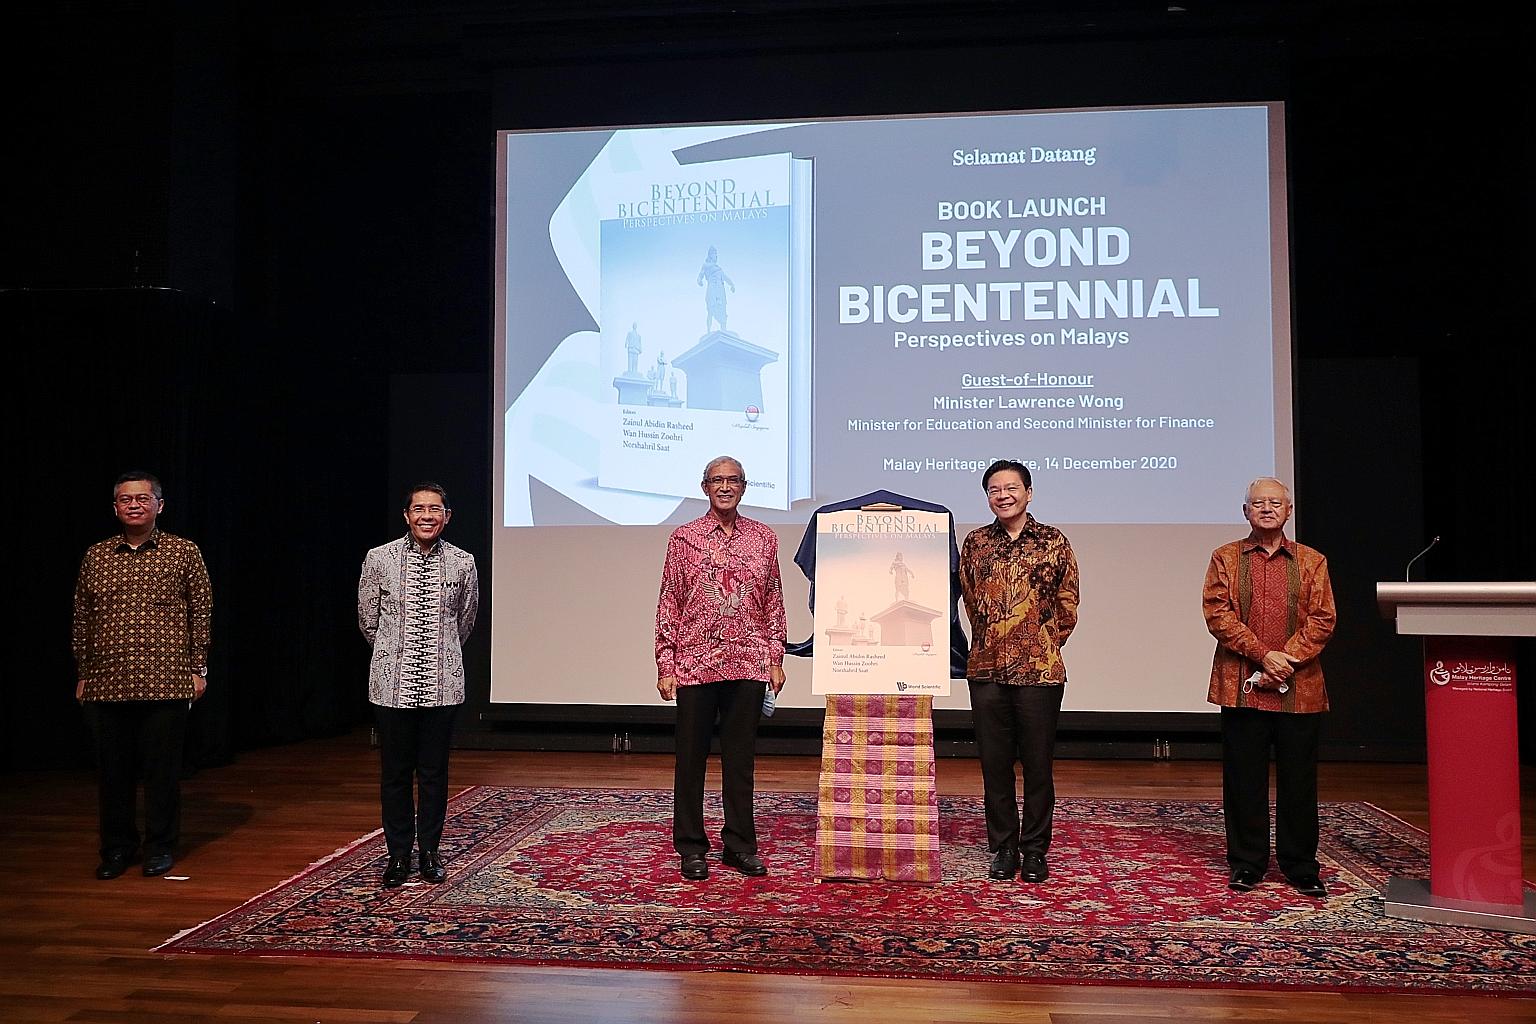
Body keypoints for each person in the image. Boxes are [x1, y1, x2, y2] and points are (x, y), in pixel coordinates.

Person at [73, 471, 212, 879]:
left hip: (166, 680)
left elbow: (201, 612)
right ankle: (117, 849)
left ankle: (159, 848)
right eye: (126, 499)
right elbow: (82, 617)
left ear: (159, 505)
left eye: (143, 498)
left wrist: (198, 668)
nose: (134, 505)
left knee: (162, 773)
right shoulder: (97, 555)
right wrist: (84, 671)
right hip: (107, 680)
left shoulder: (183, 551)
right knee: (113, 774)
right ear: (115, 507)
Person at [1203, 477, 1336, 898]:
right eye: (1258, 503)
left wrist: (1285, 660)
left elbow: (1323, 619)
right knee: (1244, 780)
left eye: (1275, 503)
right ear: (1245, 511)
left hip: (1300, 686)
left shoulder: (1312, 561)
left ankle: (1301, 866)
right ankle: (1247, 863)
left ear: (1288, 511)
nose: (1266, 508)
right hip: (1241, 685)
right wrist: (1264, 655)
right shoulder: (1225, 557)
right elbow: (1218, 615)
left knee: (1299, 781)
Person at [655, 456, 786, 880]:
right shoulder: (684, 538)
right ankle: (691, 847)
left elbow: (773, 601)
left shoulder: (764, 538)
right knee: (690, 760)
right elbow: (669, 601)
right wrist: (665, 662)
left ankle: (740, 845)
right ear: (705, 487)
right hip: (695, 663)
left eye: (733, 480)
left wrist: (775, 658)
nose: (725, 487)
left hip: (748, 661)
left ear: (744, 487)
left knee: (740, 762)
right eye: (717, 480)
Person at [959, 459, 1079, 883]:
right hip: (987, 668)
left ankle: (1035, 849)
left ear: (1028, 492)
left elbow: (1067, 603)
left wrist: (1039, 642)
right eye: (994, 490)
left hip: (1039, 672)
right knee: (994, 764)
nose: (1003, 496)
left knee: (1037, 765)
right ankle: (1004, 847)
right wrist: (994, 639)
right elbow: (970, 599)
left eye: (1011, 488)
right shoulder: (975, 543)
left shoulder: (1053, 541)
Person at [358, 483, 479, 888]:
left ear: (448, 516)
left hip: (442, 685)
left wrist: (439, 654)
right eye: (419, 508)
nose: (427, 516)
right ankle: (398, 854)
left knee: (433, 773)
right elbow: (368, 620)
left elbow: (465, 620)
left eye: (435, 509)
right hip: (391, 684)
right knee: (395, 773)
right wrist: (396, 651)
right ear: (407, 515)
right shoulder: (379, 558)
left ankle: (429, 851)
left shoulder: (463, 562)